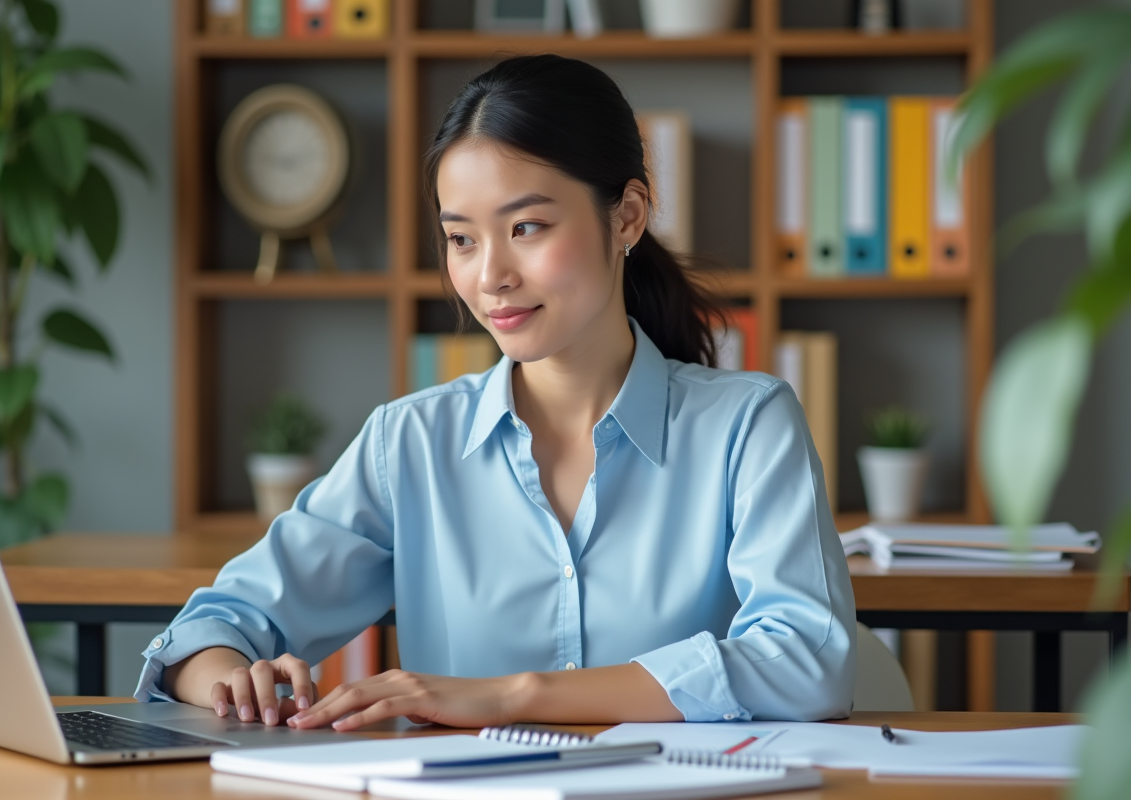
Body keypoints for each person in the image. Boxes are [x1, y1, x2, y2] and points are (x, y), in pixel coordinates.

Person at [135, 54, 856, 731]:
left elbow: (808, 660)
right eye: (462, 240)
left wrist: (515, 694)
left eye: (527, 227)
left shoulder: (748, 427)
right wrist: (227, 677)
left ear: (628, 216)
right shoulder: (410, 444)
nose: (491, 277)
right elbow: (214, 625)